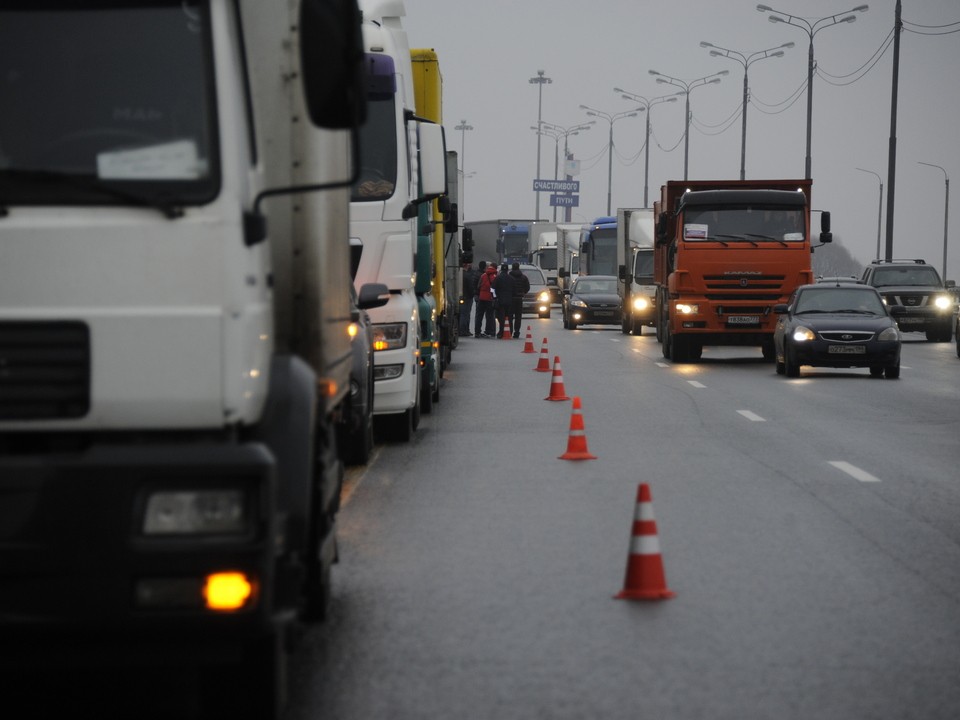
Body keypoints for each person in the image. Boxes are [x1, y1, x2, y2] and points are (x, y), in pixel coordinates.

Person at [474, 262, 498, 338]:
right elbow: (496, 288)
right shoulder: (496, 276)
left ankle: (477, 332)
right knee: (490, 316)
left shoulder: (483, 275)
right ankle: (489, 331)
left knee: (479, 316)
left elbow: (478, 286)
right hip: (490, 298)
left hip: (482, 298)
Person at [493, 263, 515, 338]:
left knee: (501, 317)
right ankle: (510, 331)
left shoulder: (497, 278)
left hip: (500, 300)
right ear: (507, 270)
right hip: (509, 301)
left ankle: (501, 332)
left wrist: (495, 297)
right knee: (509, 317)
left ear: (501, 270)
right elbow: (515, 291)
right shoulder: (511, 279)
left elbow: (492, 289)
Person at [508, 262, 530, 338]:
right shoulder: (524, 277)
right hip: (519, 298)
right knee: (518, 316)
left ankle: (509, 331)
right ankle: (517, 331)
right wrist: (523, 292)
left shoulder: (509, 277)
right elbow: (527, 287)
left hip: (511, 298)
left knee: (510, 316)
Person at [460, 261, 480, 337]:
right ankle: (464, 330)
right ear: (466, 266)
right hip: (467, 297)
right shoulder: (467, 276)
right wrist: (473, 294)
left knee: (461, 314)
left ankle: (461, 330)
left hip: (459, 296)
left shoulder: (458, 274)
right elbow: (470, 287)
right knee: (465, 314)